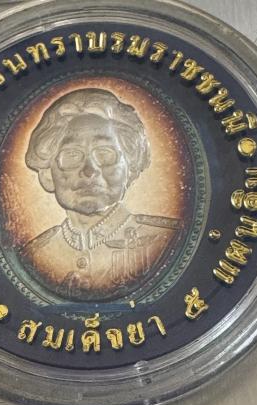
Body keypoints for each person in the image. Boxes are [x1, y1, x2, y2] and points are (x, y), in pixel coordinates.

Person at [22, 88, 181, 301]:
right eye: (72, 154)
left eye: (104, 152)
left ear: (130, 168)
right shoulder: (34, 255)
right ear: (47, 174)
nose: (89, 171)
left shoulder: (166, 240)